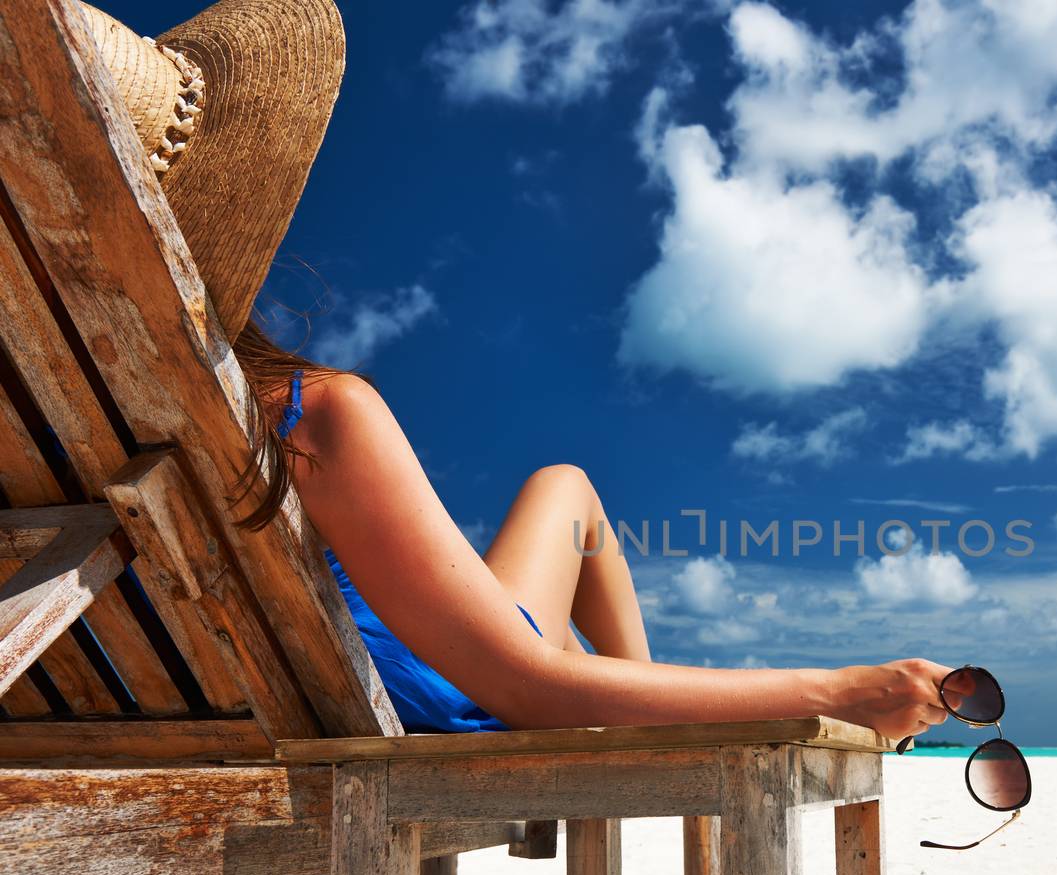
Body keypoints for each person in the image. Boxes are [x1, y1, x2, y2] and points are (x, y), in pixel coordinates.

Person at [88, 0, 952, 744]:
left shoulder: (49, 441)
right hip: (410, 693)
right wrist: (846, 689)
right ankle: (660, 731)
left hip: (225, 705)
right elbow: (527, 689)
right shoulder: (315, 419)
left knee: (560, 508)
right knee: (568, 487)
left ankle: (648, 713)